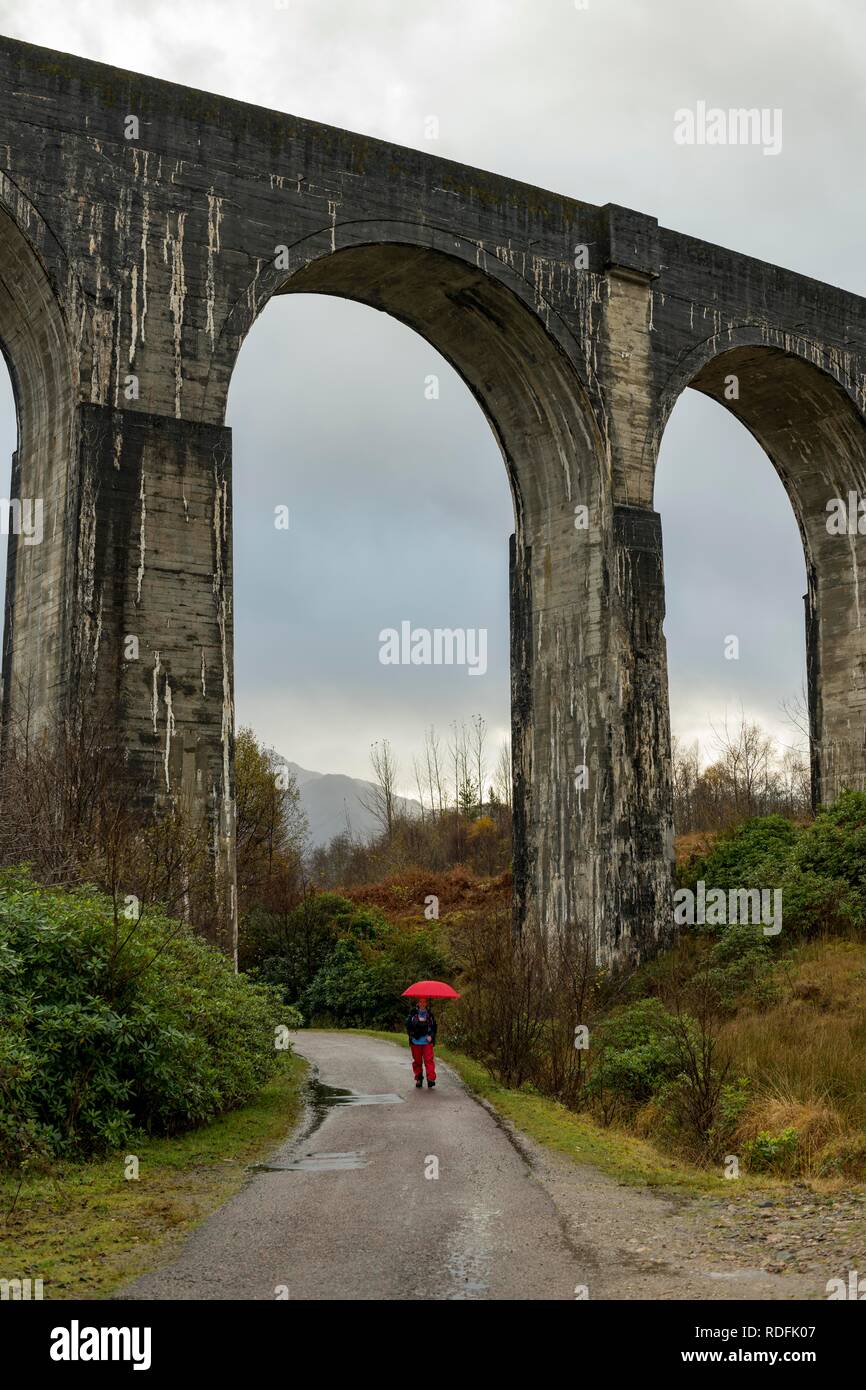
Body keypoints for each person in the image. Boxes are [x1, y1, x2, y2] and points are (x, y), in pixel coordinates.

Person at [406, 996, 437, 1089]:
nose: (422, 1004)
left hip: (427, 1042)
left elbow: (434, 1028)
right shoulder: (413, 1014)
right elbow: (408, 1027)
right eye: (420, 1002)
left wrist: (431, 1036)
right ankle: (419, 1079)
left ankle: (431, 1079)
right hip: (416, 1042)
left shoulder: (430, 1015)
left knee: (429, 1060)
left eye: (424, 1002)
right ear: (418, 1003)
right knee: (417, 1062)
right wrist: (412, 1033)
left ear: (426, 1003)